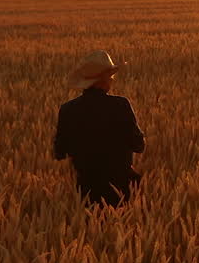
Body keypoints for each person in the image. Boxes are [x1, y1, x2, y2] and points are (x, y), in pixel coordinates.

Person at [54, 51, 146, 207]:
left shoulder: (67, 110)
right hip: (122, 189)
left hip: (86, 191)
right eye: (110, 77)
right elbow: (139, 146)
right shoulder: (121, 105)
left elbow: (59, 152)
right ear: (103, 81)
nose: (112, 80)